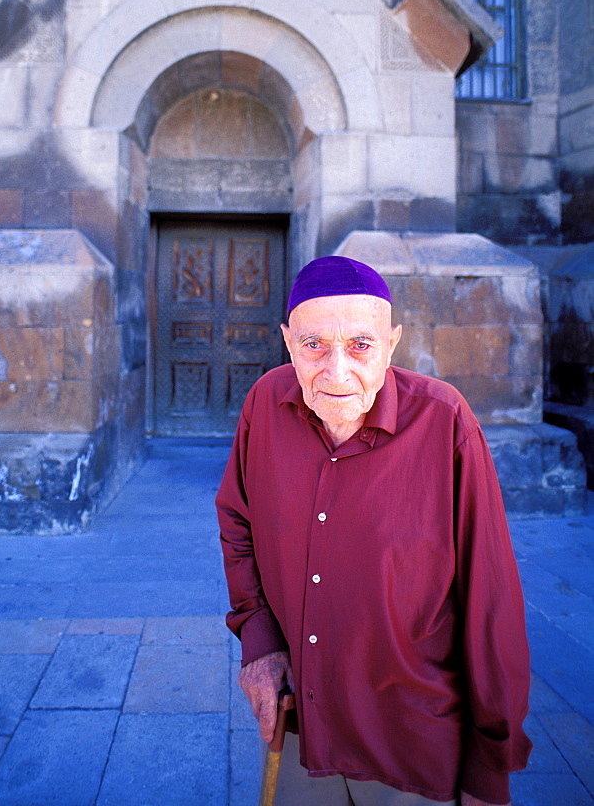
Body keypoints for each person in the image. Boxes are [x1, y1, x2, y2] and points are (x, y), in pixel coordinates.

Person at [216, 255, 532, 806]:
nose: (336, 373)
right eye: (313, 345)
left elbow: (490, 600)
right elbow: (238, 519)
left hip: (413, 744)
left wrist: (489, 767)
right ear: (288, 341)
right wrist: (260, 640)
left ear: (392, 344)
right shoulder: (265, 403)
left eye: (360, 345)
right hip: (304, 729)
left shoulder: (445, 422)